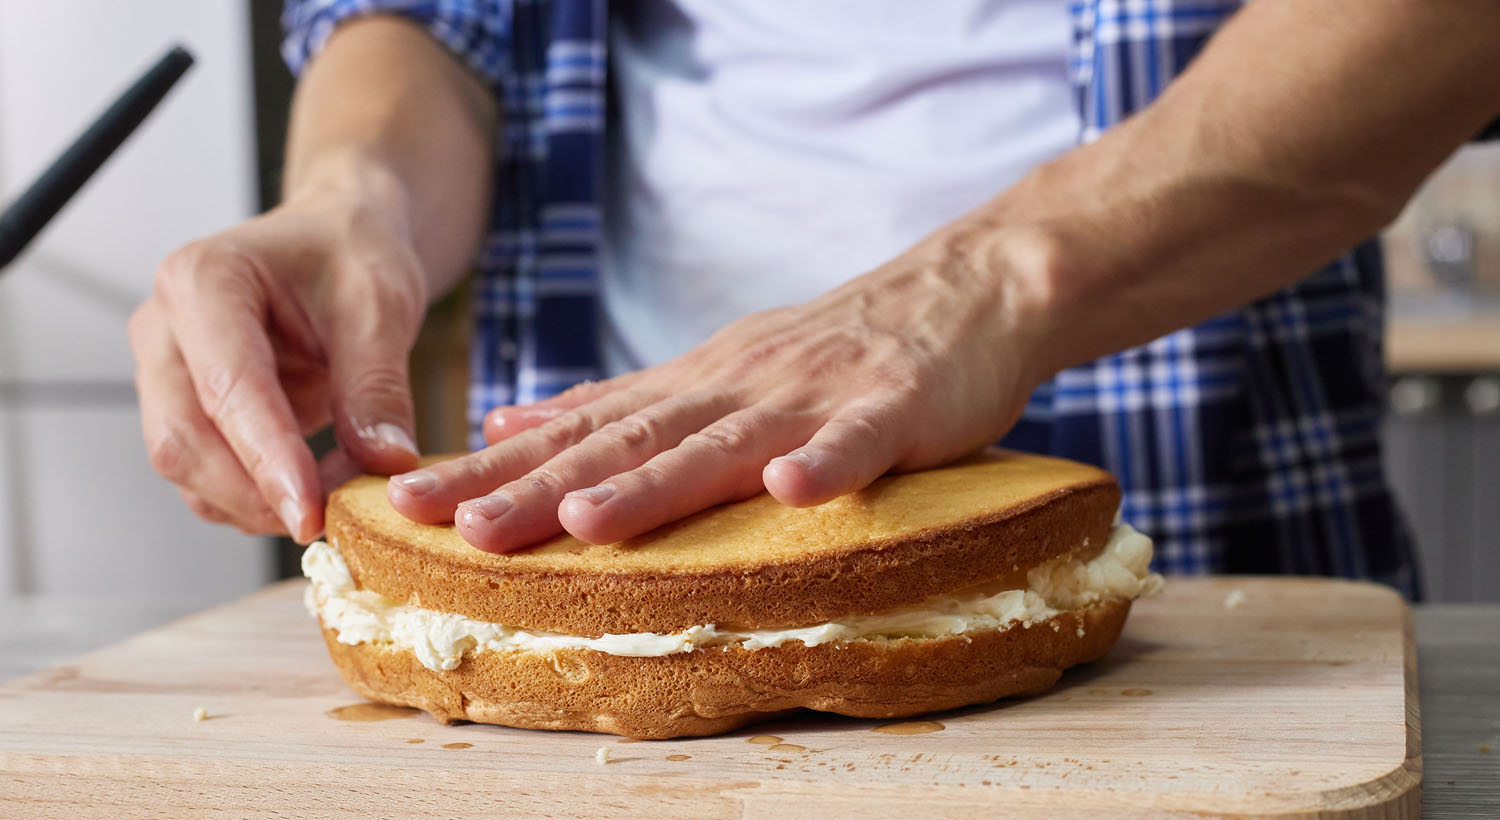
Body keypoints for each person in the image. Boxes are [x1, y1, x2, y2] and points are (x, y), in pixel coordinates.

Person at [129, 0, 1500, 599]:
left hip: (1214, 542)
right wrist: (352, 205)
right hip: (591, 505)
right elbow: (431, 15)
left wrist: (982, 285)